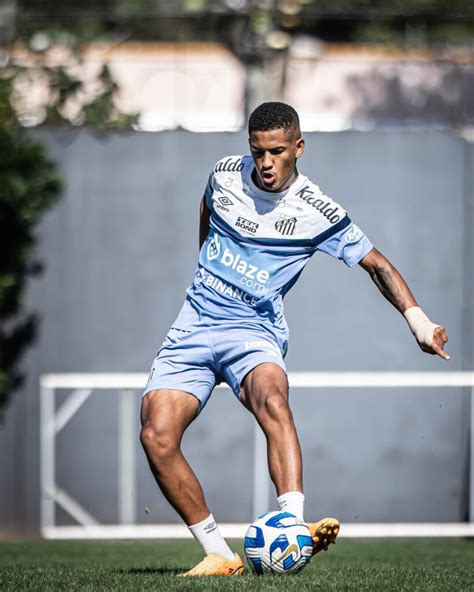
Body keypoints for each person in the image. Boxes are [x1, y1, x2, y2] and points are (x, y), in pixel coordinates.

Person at [140, 102, 449, 577]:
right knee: (156, 435)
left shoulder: (316, 211)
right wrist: (204, 263)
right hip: (194, 326)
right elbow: (206, 206)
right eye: (257, 151)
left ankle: (292, 526)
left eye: (277, 152)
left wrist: (420, 324)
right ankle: (219, 553)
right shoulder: (224, 173)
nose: (265, 162)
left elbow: (378, 265)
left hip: (253, 331)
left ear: (298, 148)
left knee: (273, 400)